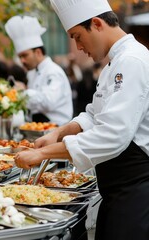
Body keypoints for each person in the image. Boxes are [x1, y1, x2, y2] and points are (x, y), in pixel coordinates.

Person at [14, 0, 149, 239]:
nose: (77, 47)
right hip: (118, 189)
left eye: (77, 36)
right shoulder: (114, 63)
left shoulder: (131, 60)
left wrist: (42, 154)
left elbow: (112, 136)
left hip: (136, 189)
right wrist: (58, 133)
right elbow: (93, 115)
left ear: (96, 24)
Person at [5, 15, 73, 126]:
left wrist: (21, 92)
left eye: (24, 56)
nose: (22, 61)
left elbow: (47, 101)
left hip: (57, 130)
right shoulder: (32, 73)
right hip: (37, 128)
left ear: (38, 52)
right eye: (20, 57)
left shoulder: (54, 71)